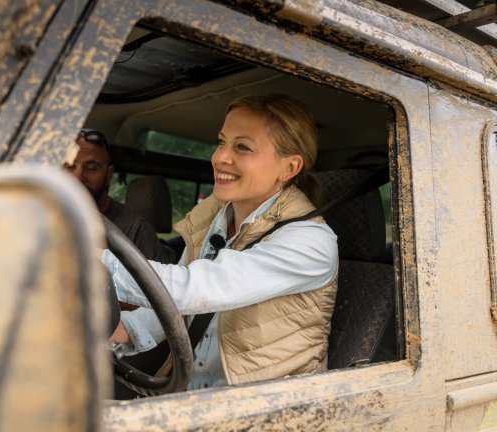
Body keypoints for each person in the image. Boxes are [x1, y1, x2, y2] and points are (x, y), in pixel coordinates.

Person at [106, 94, 339, 390]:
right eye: (221, 142)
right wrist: (122, 329)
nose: (220, 158)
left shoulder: (311, 243)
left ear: (289, 168)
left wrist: (88, 264)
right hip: (192, 396)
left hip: (266, 412)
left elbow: (196, 288)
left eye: (243, 147)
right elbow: (173, 305)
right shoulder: (213, 217)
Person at [65, 128, 175, 264]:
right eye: (69, 167)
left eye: (92, 168)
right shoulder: (40, 216)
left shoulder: (135, 231)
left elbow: (156, 284)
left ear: (108, 174)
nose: (78, 178)